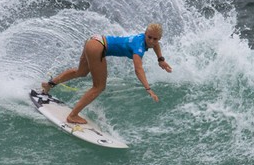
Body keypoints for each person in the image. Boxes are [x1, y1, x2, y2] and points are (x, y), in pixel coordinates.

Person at [41, 23, 173, 124]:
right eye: (149, 37)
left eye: (155, 39)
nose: (151, 41)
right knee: (99, 87)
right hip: (98, 46)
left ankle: (48, 85)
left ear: (159, 39)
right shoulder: (138, 47)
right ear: (145, 34)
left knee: (81, 72)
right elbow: (138, 69)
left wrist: (161, 59)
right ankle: (72, 116)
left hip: (94, 40)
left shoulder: (146, 40)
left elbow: (155, 45)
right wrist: (148, 88)